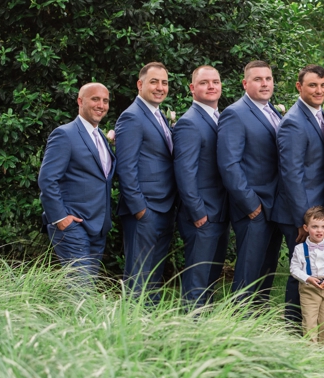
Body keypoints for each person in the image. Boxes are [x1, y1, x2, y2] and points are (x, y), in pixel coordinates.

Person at [218, 60, 284, 304]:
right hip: (254, 209)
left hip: (274, 206)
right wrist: (251, 205)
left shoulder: (272, 111)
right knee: (248, 275)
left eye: (268, 78)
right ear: (245, 83)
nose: (264, 83)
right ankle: (238, 326)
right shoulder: (235, 113)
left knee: (266, 272)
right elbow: (229, 165)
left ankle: (258, 325)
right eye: (258, 79)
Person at [38, 83, 116, 282]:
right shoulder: (65, 134)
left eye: (105, 101)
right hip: (73, 226)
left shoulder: (100, 137)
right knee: (80, 290)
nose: (101, 105)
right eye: (95, 99)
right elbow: (47, 179)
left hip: (98, 227)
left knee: (84, 292)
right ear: (80, 101)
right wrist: (60, 218)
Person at [115, 62, 177, 299]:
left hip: (164, 207)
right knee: (138, 278)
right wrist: (140, 209)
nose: (160, 87)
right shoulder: (132, 117)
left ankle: (149, 330)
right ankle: (132, 328)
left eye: (164, 82)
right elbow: (126, 168)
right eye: (154, 82)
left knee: (153, 277)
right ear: (140, 85)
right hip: (145, 210)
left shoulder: (157, 115)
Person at [277, 64, 324, 323]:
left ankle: (308, 325)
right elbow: (292, 174)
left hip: (315, 211)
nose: (319, 90)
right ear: (299, 87)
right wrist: (304, 220)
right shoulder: (294, 122)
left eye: (323, 85)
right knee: (300, 269)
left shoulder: (319, 115)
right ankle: (292, 325)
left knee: (311, 267)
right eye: (312, 85)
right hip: (301, 214)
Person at [172, 65, 229, 307]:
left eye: (215, 82)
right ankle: (190, 332)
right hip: (202, 215)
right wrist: (198, 213)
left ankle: (207, 333)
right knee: (197, 281)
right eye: (204, 82)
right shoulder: (189, 123)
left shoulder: (220, 117)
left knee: (210, 278)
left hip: (220, 212)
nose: (211, 86)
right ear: (192, 89)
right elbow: (185, 172)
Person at [290, 206, 324, 345]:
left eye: (323, 227)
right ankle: (311, 349)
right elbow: (294, 268)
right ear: (306, 228)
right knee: (310, 320)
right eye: (315, 226)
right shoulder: (300, 249)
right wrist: (307, 278)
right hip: (308, 288)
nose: (319, 230)